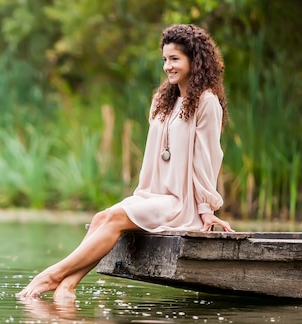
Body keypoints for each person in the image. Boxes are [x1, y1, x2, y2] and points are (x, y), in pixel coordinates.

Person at [17, 24, 234, 301]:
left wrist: (206, 207)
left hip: (181, 202)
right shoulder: (163, 100)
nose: (168, 66)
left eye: (175, 59)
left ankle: (52, 274)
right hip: (153, 194)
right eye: (165, 60)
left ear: (195, 60)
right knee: (101, 217)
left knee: (116, 218)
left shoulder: (207, 102)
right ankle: (67, 286)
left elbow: (207, 158)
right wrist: (143, 196)